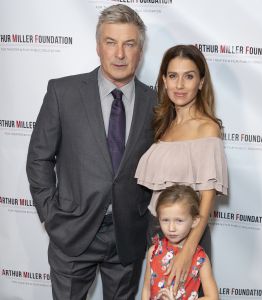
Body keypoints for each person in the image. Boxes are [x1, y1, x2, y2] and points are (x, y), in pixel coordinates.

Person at [26, 4, 156, 300]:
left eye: (129, 44)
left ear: (140, 50)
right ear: (98, 47)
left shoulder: (156, 103)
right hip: (72, 232)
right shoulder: (63, 93)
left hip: (128, 236)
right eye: (111, 43)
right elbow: (39, 158)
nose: (119, 54)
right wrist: (51, 215)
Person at [135, 44, 228, 294]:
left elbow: (207, 196)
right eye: (173, 76)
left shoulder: (207, 128)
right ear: (164, 81)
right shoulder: (163, 126)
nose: (180, 85)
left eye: (189, 76)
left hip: (188, 235)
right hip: (156, 230)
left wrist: (188, 249)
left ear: (201, 82)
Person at [142, 185, 219, 300]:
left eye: (179, 221)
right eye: (165, 220)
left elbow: (213, 297)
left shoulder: (200, 257)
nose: (171, 228)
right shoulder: (153, 251)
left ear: (194, 221)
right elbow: (147, 289)